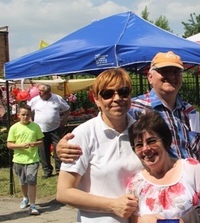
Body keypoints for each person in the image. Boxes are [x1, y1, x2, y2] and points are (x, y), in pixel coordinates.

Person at [57, 68, 144, 223]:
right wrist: (112, 205)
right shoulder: (84, 134)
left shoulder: (141, 132)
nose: (117, 98)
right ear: (97, 99)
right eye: (107, 94)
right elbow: (64, 192)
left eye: (123, 91)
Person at [127, 111, 200, 223]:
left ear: (166, 142)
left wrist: (188, 221)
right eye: (139, 145)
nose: (145, 149)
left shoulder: (192, 169)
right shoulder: (135, 184)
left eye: (151, 141)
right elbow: (134, 219)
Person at [130, 51, 200, 164]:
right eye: (164, 71)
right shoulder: (134, 109)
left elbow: (198, 153)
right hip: (160, 179)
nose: (171, 76)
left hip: (193, 178)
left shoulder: (191, 112)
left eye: (176, 72)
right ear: (150, 77)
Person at [7, 104, 44, 215]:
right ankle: (25, 197)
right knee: (23, 182)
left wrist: (34, 144)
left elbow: (41, 142)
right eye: (23, 115)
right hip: (18, 160)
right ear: (18, 115)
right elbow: (9, 144)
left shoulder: (35, 127)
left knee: (31, 181)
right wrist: (21, 146)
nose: (25, 117)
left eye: (28, 115)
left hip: (32, 159)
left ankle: (33, 205)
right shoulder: (14, 128)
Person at [28, 83, 70, 178]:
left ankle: (59, 169)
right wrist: (31, 121)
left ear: (48, 92)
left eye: (42, 91)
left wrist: (63, 121)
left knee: (57, 149)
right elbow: (28, 109)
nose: (39, 93)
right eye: (39, 91)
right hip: (40, 130)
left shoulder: (57, 98)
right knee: (43, 151)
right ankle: (47, 171)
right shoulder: (35, 100)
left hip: (55, 129)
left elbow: (67, 109)